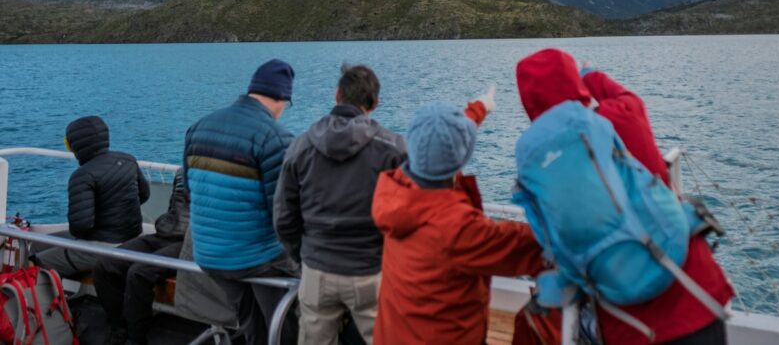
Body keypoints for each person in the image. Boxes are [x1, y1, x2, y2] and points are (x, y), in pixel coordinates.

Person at [515, 49, 734, 345]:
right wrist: (590, 76)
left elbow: (554, 245)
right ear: (574, 83)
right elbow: (629, 97)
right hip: (692, 293)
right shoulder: (619, 115)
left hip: (626, 322)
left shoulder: (539, 164)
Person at [371, 94, 545, 345]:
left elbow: (439, 146)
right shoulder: (456, 227)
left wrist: (478, 109)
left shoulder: (396, 191)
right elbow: (527, 245)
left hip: (394, 335)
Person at [275, 64, 406, 345]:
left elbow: (284, 217)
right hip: (372, 270)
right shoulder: (393, 149)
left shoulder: (301, 146)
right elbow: (409, 218)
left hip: (317, 268)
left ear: (337, 95)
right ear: (375, 102)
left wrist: (304, 257)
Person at [183, 59, 298, 345]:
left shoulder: (199, 127)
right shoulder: (276, 138)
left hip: (208, 254)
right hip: (254, 258)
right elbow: (284, 214)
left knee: (251, 322)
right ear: (282, 98)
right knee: (288, 316)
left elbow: (189, 191)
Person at [35, 115, 150, 278]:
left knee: (36, 262)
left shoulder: (82, 176)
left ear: (74, 146)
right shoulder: (128, 160)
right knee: (39, 243)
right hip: (132, 238)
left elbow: (81, 226)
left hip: (102, 247)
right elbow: (144, 195)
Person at [93, 169, 189, 345]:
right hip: (164, 234)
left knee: (139, 273)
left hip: (189, 243)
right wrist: (164, 223)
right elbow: (172, 208)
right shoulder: (181, 172)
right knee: (105, 264)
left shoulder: (222, 175)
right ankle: (118, 328)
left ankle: (136, 338)